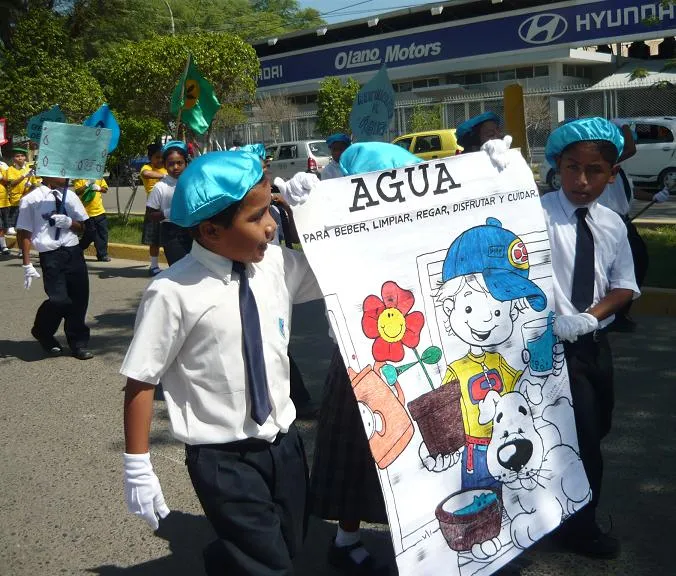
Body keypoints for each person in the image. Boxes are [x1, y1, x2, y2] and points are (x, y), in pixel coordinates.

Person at [121, 151, 321, 576]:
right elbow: (141, 379)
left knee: (291, 540)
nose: (271, 226)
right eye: (257, 217)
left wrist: (316, 214)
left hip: (284, 445)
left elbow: (340, 268)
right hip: (223, 458)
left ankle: (224, 558)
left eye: (272, 209)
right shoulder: (173, 292)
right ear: (211, 230)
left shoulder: (275, 266)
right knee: (272, 566)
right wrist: (137, 464)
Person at [310, 142, 423, 576]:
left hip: (413, 358)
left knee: (418, 451)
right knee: (356, 453)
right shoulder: (339, 238)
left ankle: (419, 537)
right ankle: (346, 538)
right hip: (356, 363)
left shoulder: (414, 230)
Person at [542, 117, 640, 559]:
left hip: (589, 342)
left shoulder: (612, 224)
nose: (582, 180)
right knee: (572, 439)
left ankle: (565, 515)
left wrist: (589, 317)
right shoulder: (535, 214)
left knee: (596, 428)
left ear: (613, 172)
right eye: (571, 167)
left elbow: (623, 286)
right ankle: (579, 528)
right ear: (556, 167)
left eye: (595, 170)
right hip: (542, 347)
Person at [598, 124, 670, 332]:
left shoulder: (617, 167)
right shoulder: (604, 159)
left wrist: (654, 197)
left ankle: (620, 312)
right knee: (615, 269)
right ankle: (612, 315)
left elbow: (630, 188)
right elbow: (631, 149)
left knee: (638, 262)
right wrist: (625, 127)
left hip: (624, 222)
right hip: (608, 224)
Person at [17, 175, 93, 360]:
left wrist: (69, 223)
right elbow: (24, 232)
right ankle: (42, 331)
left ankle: (78, 343)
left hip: (72, 251)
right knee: (59, 300)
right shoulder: (31, 199)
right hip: (50, 255)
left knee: (79, 298)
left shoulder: (70, 196)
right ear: (45, 173)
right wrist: (26, 263)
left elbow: (82, 226)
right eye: (58, 172)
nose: (64, 176)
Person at [146, 140, 191, 266]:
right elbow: (151, 215)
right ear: (165, 165)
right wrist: (169, 212)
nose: (175, 167)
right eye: (171, 164)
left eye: (179, 163)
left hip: (193, 231)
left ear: (185, 163)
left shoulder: (192, 183)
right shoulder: (160, 187)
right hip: (172, 234)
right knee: (179, 269)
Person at [140, 143, 168, 276]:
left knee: (170, 237)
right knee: (154, 239)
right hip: (154, 208)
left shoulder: (167, 168)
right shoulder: (147, 167)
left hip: (169, 207)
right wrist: (163, 176)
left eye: (162, 157)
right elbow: (146, 174)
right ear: (150, 158)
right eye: (157, 157)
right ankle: (154, 265)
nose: (160, 160)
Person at [73, 177, 111, 262]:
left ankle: (102, 255)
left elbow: (105, 189)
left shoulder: (99, 177)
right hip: (87, 213)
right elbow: (78, 191)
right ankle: (78, 249)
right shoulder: (80, 178)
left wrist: (99, 188)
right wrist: (87, 184)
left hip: (100, 211)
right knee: (89, 235)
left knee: (103, 234)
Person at [5, 146, 40, 236]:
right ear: (13, 158)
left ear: (25, 157)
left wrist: (30, 186)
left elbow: (35, 184)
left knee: (26, 217)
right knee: (14, 214)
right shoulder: (10, 169)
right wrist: (24, 175)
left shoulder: (29, 169)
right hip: (15, 198)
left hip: (27, 197)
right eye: (17, 156)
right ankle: (11, 227)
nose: (20, 158)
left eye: (22, 156)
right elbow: (12, 183)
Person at [0, 157, 11, 255]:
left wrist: (1, 177)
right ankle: (3, 246)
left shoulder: (3, 165)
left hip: (4, 201)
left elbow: (8, 182)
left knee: (5, 226)